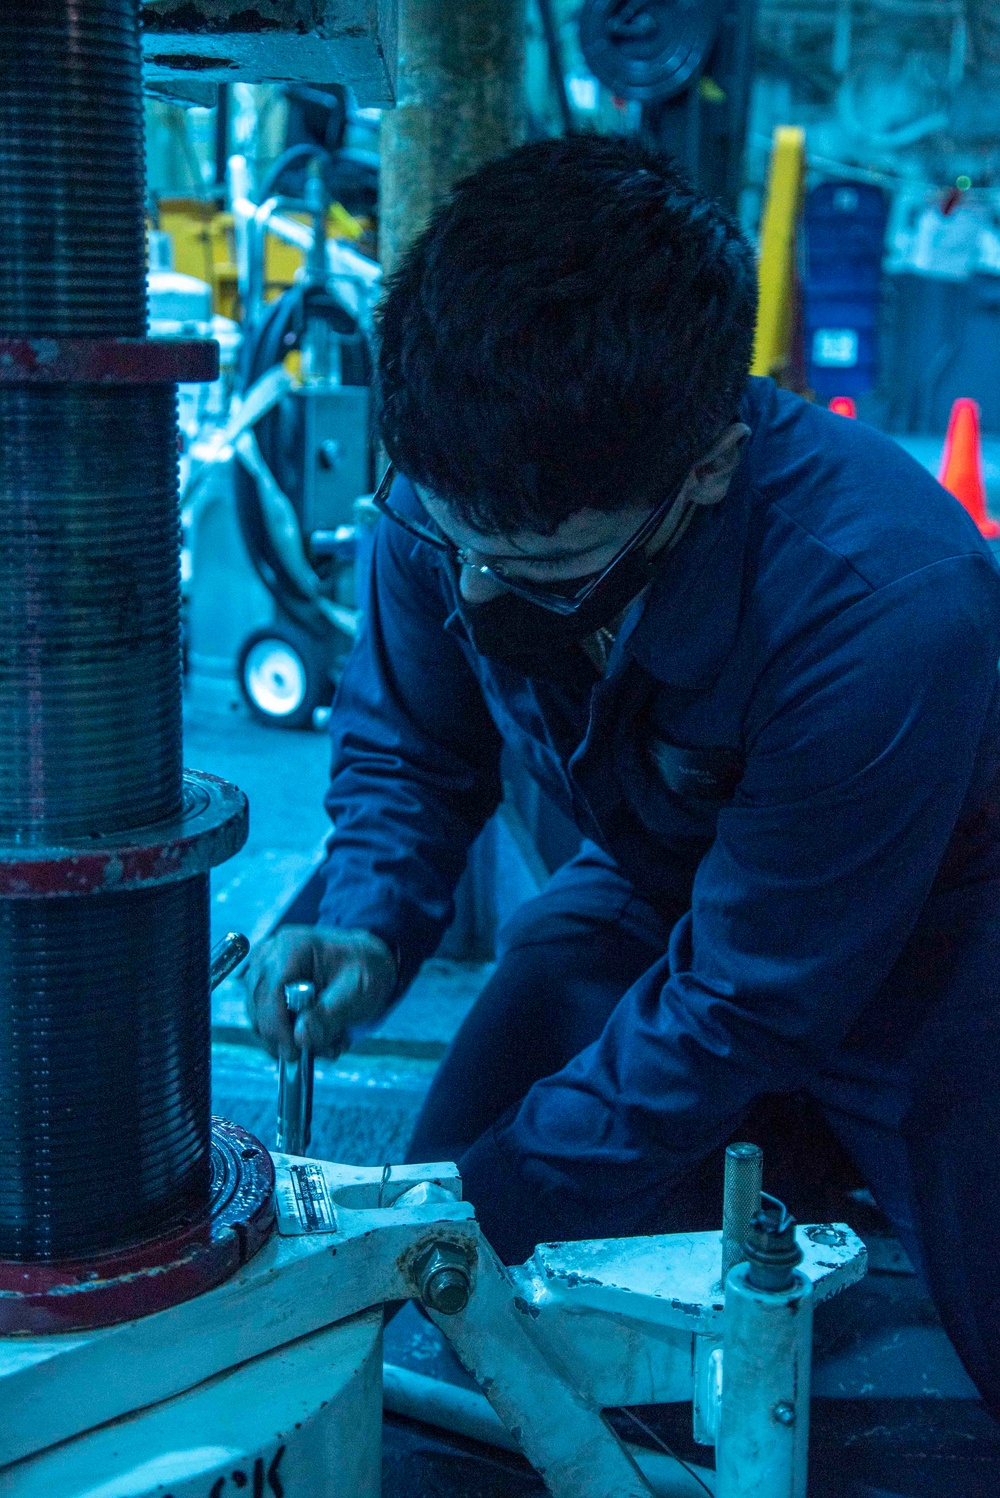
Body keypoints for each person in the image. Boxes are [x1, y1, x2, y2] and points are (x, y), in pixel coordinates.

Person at [245, 133, 1000, 1412]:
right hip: (658, 891)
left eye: (541, 572)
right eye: (456, 543)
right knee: (454, 1240)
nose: (475, 588)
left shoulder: (887, 605)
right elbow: (413, 750)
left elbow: (742, 1004)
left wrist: (471, 1203)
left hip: (934, 950)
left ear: (705, 466)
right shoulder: (458, 488)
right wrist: (363, 914)